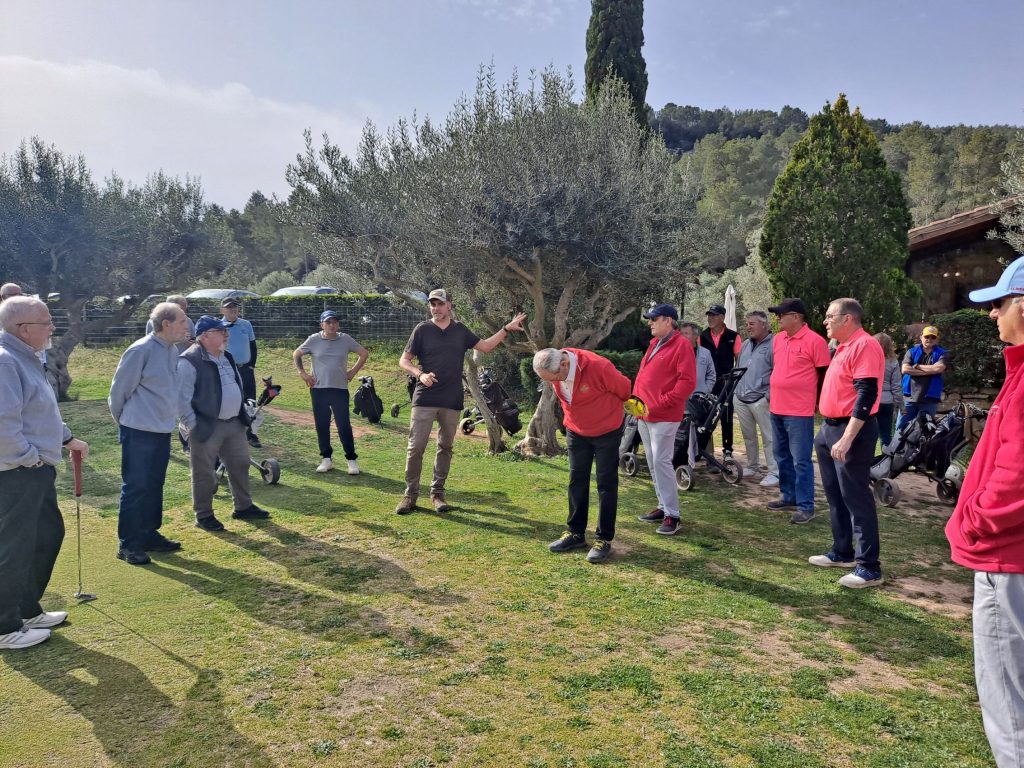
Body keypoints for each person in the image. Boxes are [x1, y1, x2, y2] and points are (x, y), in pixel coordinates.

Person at [945, 254, 1024, 768]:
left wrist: (973, 521)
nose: (991, 314)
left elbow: (1016, 476)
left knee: (1008, 702)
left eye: (999, 303)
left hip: (1006, 556)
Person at [0, 296, 89, 650]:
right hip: (18, 471)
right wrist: (29, 458)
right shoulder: (6, 361)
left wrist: (67, 438)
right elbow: (4, 424)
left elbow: (41, 411)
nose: (52, 327)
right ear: (24, 329)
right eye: (46, 322)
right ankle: (5, 626)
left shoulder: (27, 357)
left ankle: (26, 609)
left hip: (33, 468)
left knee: (47, 535)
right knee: (16, 545)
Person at [396, 289, 527, 514]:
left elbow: (486, 346)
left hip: (451, 398)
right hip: (425, 397)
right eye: (432, 304)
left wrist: (506, 328)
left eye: (440, 304)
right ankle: (410, 496)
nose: (436, 308)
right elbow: (404, 361)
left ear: (449, 305)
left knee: (445, 446)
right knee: (415, 447)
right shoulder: (422, 329)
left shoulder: (460, 330)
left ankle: (437, 494)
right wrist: (420, 374)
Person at [808, 298, 885, 589]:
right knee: (835, 494)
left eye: (830, 316)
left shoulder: (865, 345)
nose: (825, 321)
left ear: (848, 319)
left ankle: (869, 567)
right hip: (829, 428)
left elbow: (867, 394)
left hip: (850, 430)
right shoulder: (842, 346)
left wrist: (847, 437)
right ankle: (842, 551)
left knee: (856, 496)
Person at [108, 302, 191, 565]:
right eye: (182, 321)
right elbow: (118, 393)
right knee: (135, 486)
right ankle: (128, 544)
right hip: (138, 431)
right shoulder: (140, 350)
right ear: (166, 324)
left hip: (161, 429)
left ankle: (148, 534)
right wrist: (126, 423)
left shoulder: (172, 350)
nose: (186, 326)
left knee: (154, 484)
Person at [535, 347, 631, 563]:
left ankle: (603, 538)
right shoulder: (556, 369)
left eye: (553, 378)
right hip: (576, 430)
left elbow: (625, 389)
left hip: (607, 431)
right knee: (576, 479)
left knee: (606, 483)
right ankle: (575, 533)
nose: (553, 382)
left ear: (564, 364)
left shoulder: (599, 367)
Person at [178, 315, 270, 532]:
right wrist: (192, 424)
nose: (226, 335)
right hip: (205, 426)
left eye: (225, 331)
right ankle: (204, 515)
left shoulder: (227, 355)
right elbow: (180, 398)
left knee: (240, 464)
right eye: (221, 331)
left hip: (234, 422)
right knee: (203, 472)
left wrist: (242, 414)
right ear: (205, 336)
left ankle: (243, 507)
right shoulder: (188, 360)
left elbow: (235, 384)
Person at [632, 304, 696, 536]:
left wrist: (661, 403)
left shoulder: (682, 345)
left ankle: (673, 515)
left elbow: (687, 382)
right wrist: (635, 404)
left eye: (654, 319)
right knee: (652, 461)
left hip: (664, 415)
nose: (650, 322)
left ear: (668, 320)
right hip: (644, 414)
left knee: (661, 461)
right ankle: (663, 506)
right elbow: (644, 378)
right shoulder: (654, 343)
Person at [767, 298, 831, 524]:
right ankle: (789, 496)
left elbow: (824, 375)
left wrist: (819, 402)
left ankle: (806, 506)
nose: (778, 319)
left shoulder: (815, 341)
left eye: (781, 315)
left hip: (799, 411)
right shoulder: (778, 339)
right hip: (777, 407)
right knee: (781, 455)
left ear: (796, 317)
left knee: (801, 460)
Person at [293, 310, 369, 475]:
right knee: (322, 425)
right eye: (328, 322)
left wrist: (352, 372)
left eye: (334, 322)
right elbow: (297, 354)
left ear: (338, 324)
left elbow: (364, 353)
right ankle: (326, 459)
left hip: (339, 389)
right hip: (318, 389)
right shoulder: (313, 339)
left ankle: (351, 460)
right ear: (322, 325)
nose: (332, 325)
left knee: (343, 425)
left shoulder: (345, 339)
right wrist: (302, 373)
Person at [734, 310, 778, 487]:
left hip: (761, 399)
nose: (748, 327)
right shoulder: (746, 344)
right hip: (741, 398)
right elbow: (739, 368)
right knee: (748, 436)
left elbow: (778, 371)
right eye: (747, 324)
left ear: (764, 325)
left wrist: (768, 396)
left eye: (752, 324)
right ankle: (752, 466)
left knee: (769, 437)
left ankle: (775, 472)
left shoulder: (775, 344)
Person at [699, 305, 741, 458]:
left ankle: (727, 450)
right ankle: (703, 449)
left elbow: (739, 360)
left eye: (714, 315)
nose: (710, 318)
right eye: (709, 315)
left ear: (722, 318)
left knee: (726, 417)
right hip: (707, 384)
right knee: (705, 416)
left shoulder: (733, 336)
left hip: (726, 384)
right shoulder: (702, 336)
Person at [220, 298, 260, 447]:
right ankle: (231, 435)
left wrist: (251, 365)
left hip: (246, 369)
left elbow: (253, 346)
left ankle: (251, 434)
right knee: (231, 401)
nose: (232, 310)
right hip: (228, 370)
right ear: (222, 310)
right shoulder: (218, 327)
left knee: (251, 402)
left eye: (235, 307)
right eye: (229, 307)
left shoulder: (246, 324)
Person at [898, 325, 948, 429]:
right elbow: (905, 369)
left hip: (930, 399)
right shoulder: (911, 352)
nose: (929, 339)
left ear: (937, 339)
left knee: (925, 430)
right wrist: (931, 371)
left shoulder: (942, 353)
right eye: (927, 336)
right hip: (909, 398)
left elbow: (938, 369)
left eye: (933, 337)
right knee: (901, 428)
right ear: (921, 337)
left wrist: (917, 366)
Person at [873, 332, 904, 450]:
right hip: (886, 400)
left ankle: (867, 459)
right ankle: (885, 459)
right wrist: (901, 405)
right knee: (885, 435)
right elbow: (896, 386)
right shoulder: (893, 362)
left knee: (868, 434)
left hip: (870, 399)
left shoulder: (868, 360)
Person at [679, 322, 716, 395]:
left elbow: (711, 375)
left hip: (699, 396)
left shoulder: (705, 353)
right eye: (681, 334)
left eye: (686, 333)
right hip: (679, 396)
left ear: (695, 336)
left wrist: (706, 390)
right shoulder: (674, 352)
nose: (683, 336)